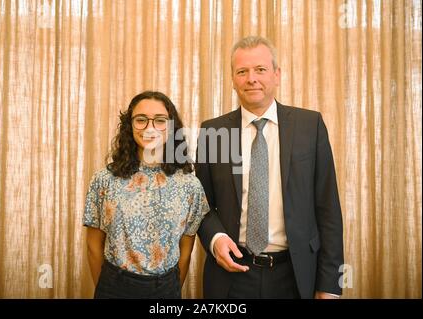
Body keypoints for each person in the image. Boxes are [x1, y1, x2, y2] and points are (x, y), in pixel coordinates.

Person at [196, 36, 344, 299]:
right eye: (242, 71)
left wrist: (329, 284)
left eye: (260, 69)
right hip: (231, 274)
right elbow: (200, 203)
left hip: (296, 276)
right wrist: (215, 238)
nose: (251, 78)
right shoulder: (213, 131)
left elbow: (328, 207)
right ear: (232, 79)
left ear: (276, 75)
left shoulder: (310, 126)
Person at [83, 91, 209, 299]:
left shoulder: (190, 185)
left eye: (160, 121)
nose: (150, 128)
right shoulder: (104, 180)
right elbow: (93, 246)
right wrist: (106, 288)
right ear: (129, 126)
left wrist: (171, 290)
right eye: (141, 120)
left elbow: (185, 252)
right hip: (114, 286)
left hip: (166, 288)